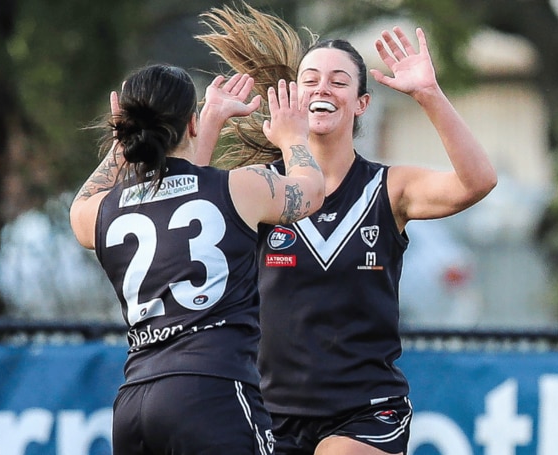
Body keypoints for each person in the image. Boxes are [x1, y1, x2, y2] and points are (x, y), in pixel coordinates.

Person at [197, 4, 498, 455]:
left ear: (361, 104)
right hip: (271, 411)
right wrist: (210, 122)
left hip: (365, 409)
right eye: (311, 79)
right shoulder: (264, 187)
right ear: (293, 97)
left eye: (339, 82)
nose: (324, 88)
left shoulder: (389, 187)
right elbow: (183, 209)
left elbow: (478, 181)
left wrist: (430, 94)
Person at [69, 63, 324, 454]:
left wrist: (126, 141)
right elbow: (311, 190)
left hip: (135, 406)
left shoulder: (102, 212)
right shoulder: (241, 187)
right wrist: (294, 138)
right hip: (213, 391)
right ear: (191, 123)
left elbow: (90, 201)